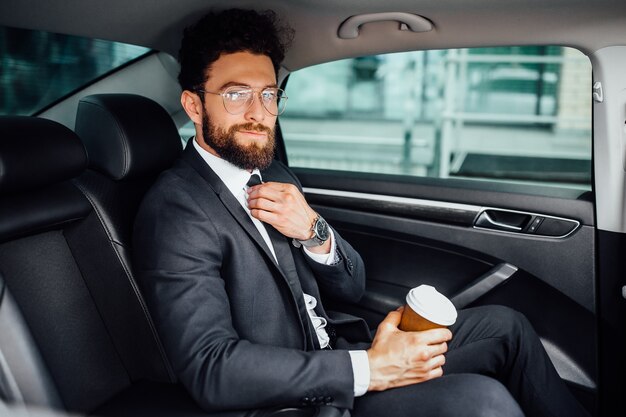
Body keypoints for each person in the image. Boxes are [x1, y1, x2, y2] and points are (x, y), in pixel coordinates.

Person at [133, 8, 590, 417]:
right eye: (237, 95)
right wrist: (371, 369)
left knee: (506, 326)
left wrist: (313, 231)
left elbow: (353, 285)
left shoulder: (274, 175)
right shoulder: (175, 209)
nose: (259, 113)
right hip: (294, 398)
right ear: (194, 104)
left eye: (269, 94)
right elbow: (212, 370)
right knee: (482, 401)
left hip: (344, 350)